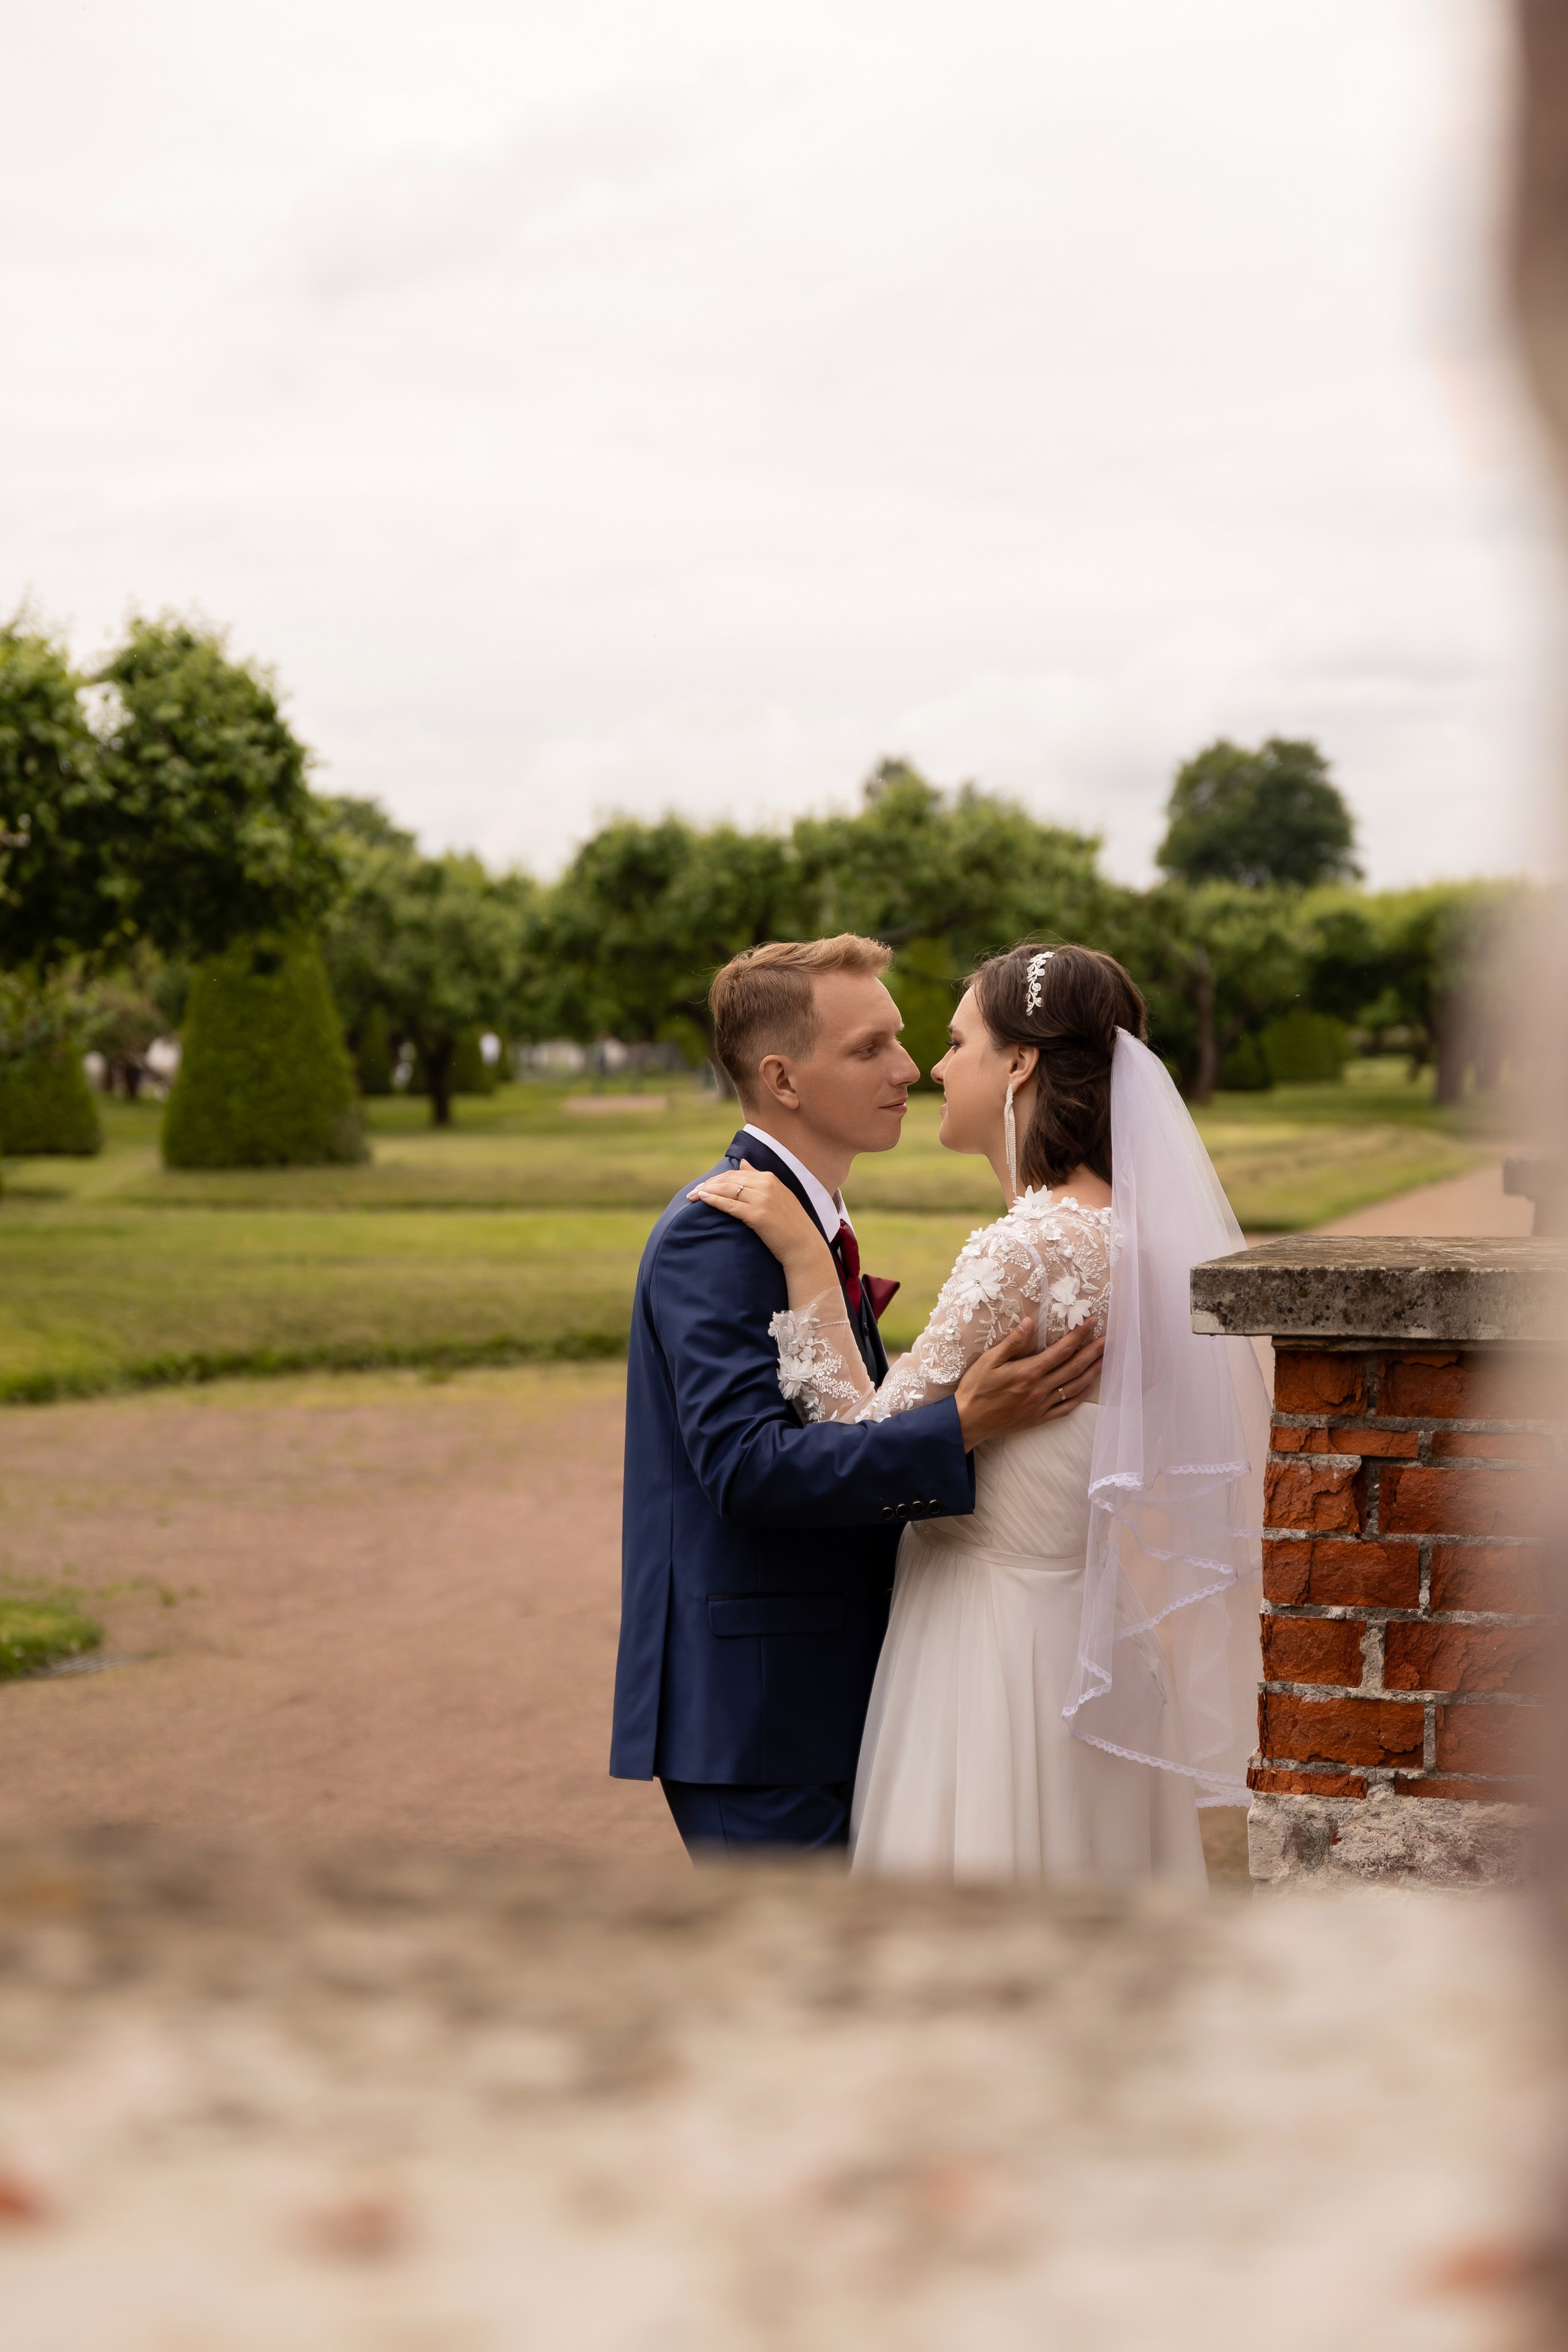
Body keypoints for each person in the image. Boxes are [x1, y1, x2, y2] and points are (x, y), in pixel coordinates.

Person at [690, 942, 1269, 1883]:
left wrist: (806, 1261)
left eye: (957, 1042)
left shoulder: (1030, 1248)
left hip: (986, 1655)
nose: (932, 1067)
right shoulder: (1135, 1239)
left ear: (1019, 1064)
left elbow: (857, 1439)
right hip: (1091, 1651)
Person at [609, 933, 1106, 1859]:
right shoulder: (714, 1236)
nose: (909, 1068)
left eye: (905, 1040)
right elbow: (747, 1471)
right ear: (783, 1080)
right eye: (868, 1048)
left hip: (845, 1689)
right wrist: (957, 1426)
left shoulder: (809, 1223)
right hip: (763, 1715)